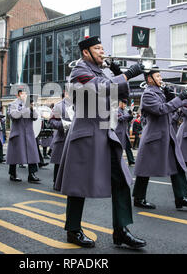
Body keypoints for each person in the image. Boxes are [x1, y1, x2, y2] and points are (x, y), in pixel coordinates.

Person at [55, 35, 146, 249]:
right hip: (86, 134)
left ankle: (121, 231)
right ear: (86, 52)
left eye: (102, 48)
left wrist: (117, 72)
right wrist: (127, 73)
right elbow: (99, 88)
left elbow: (121, 95)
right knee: (78, 185)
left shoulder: (101, 71)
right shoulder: (80, 71)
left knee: (121, 181)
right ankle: (73, 230)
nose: (102, 52)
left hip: (105, 132)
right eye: (97, 48)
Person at [133, 67, 187, 210]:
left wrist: (175, 98)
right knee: (145, 169)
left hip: (167, 135)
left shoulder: (160, 92)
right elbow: (161, 110)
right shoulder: (148, 94)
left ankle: (181, 198)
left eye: (160, 76)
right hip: (154, 137)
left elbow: (172, 108)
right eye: (157, 76)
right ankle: (139, 198)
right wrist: (178, 99)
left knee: (177, 165)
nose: (160, 79)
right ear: (150, 79)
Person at [6, 89, 41, 183]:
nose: (25, 95)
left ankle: (32, 174)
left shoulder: (29, 104)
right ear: (18, 95)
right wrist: (26, 107)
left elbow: (35, 117)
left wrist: (32, 108)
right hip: (18, 133)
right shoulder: (12, 104)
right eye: (23, 93)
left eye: (26, 93)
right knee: (15, 155)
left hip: (29, 133)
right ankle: (13, 174)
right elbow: (14, 115)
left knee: (32, 154)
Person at [49, 89, 73, 186]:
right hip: (62, 137)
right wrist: (64, 125)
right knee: (59, 163)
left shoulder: (78, 105)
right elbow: (51, 122)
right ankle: (56, 183)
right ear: (66, 93)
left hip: (74, 138)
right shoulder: (59, 106)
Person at [115, 99, 135, 166]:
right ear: (120, 103)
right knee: (119, 148)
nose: (125, 105)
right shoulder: (116, 110)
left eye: (126, 104)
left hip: (125, 132)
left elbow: (128, 120)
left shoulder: (125, 111)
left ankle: (131, 161)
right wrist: (128, 115)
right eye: (124, 104)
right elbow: (120, 118)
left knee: (128, 147)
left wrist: (131, 116)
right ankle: (118, 161)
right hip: (119, 132)